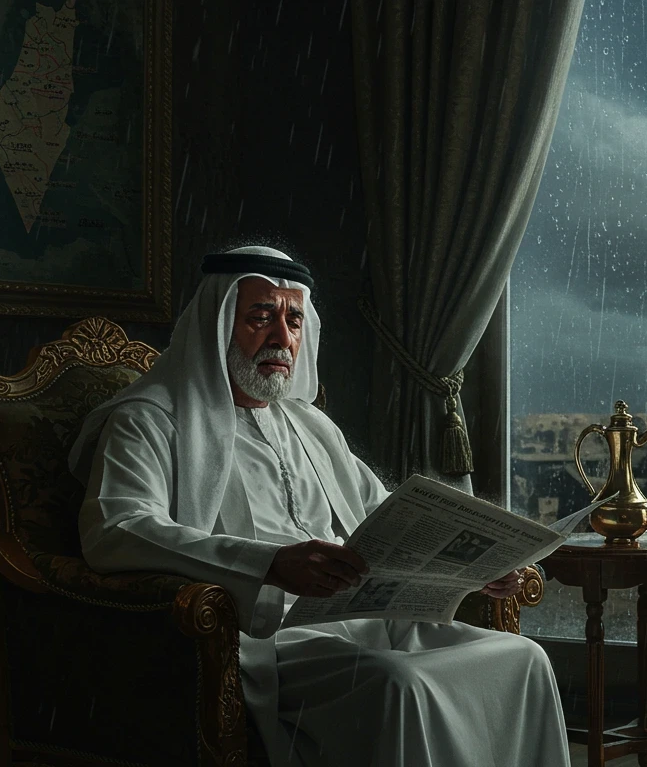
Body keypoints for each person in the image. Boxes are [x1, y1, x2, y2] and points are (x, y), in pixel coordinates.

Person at [69, 247, 568, 767]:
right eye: (260, 317)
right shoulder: (150, 420)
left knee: (523, 659)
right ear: (217, 325)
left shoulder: (309, 424)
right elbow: (116, 527)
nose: (281, 338)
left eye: (293, 321)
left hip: (372, 618)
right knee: (400, 683)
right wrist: (269, 564)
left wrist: (479, 564)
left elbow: (390, 518)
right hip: (268, 638)